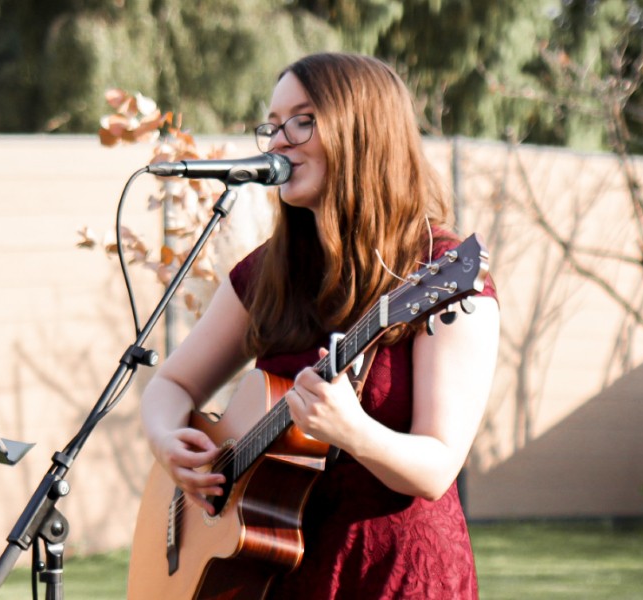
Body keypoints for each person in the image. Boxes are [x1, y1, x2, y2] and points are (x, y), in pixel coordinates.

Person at [139, 52, 500, 599]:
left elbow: (436, 467)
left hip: (393, 577)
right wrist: (168, 442)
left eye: (302, 121)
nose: (278, 141)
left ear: (364, 132)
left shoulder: (441, 272)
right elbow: (171, 383)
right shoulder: (269, 271)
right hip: (274, 580)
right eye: (273, 125)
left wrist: (353, 432)